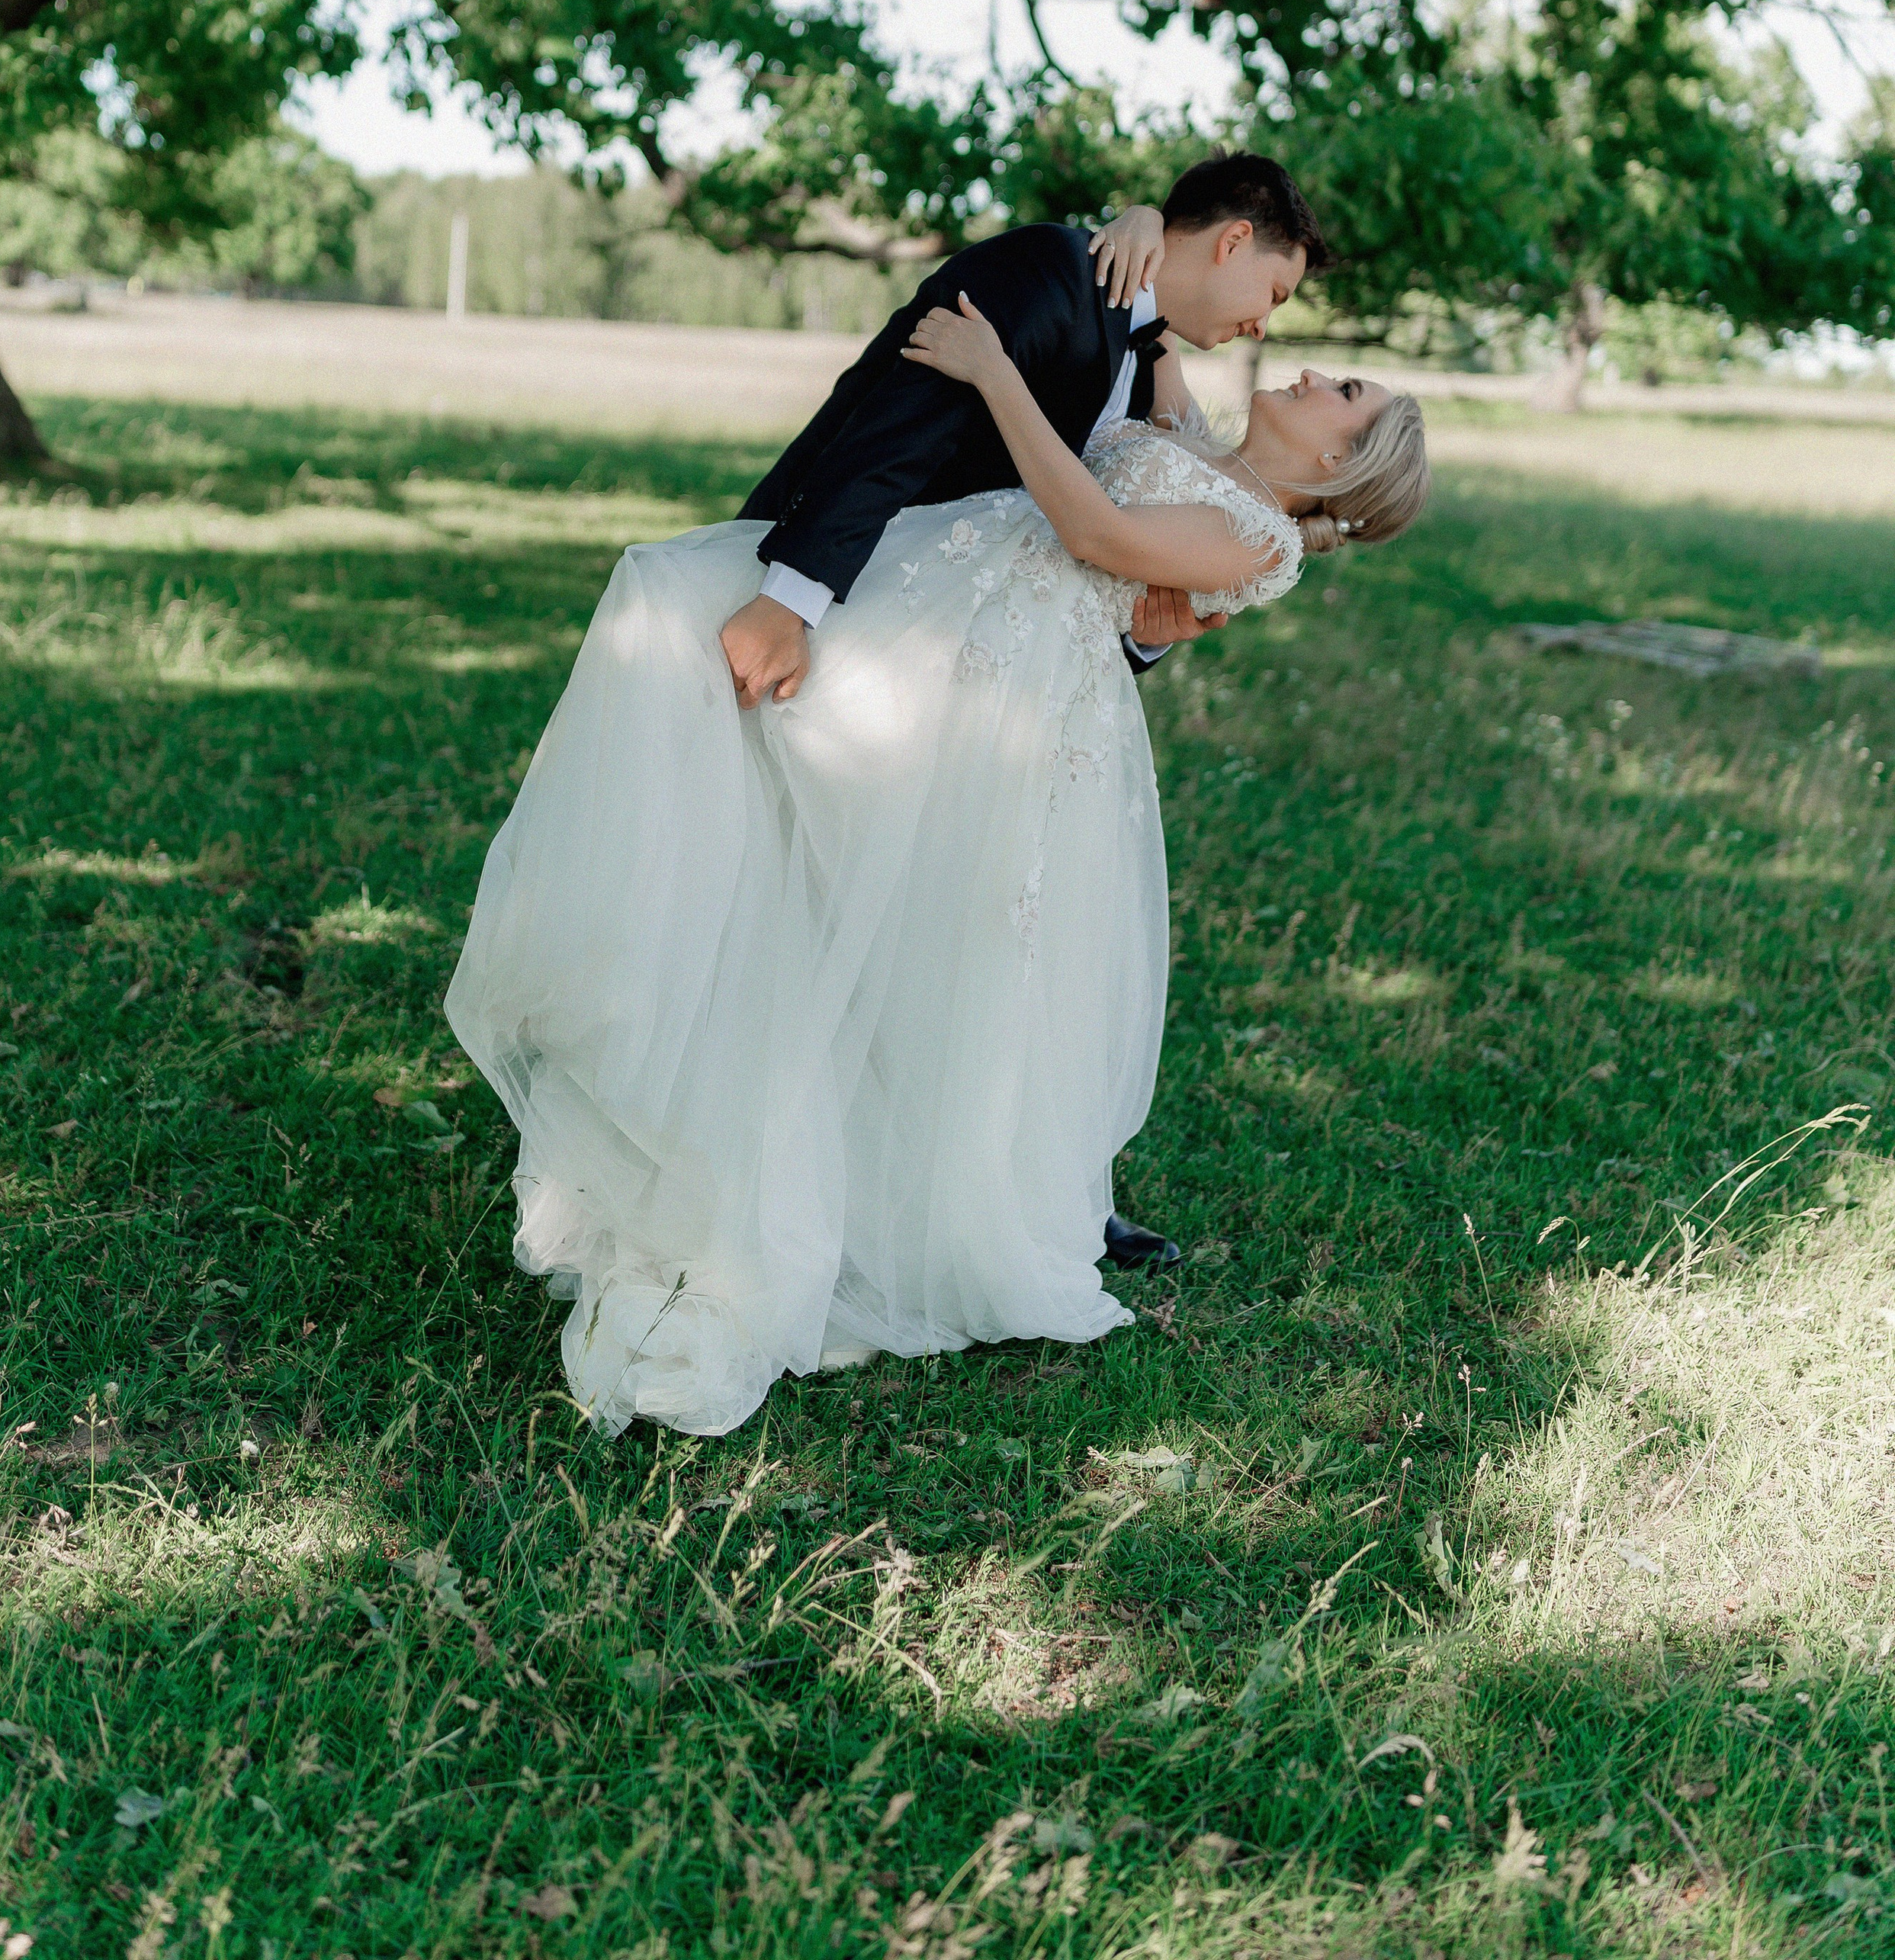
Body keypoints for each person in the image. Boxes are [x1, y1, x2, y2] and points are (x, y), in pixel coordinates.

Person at [444, 158, 1429, 1438]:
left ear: (1345, 458)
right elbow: (1149, 316)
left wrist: (995, 373)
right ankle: (706, 1085)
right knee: (747, 747)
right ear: (1233, 238)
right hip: (951, 628)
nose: (1288, 345)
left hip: (1012, 710)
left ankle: (914, 1207)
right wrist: (1132, 225)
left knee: (944, 958)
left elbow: (1096, 534)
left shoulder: (1265, 539)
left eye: (1337, 389)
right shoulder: (1190, 421)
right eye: (1279, 295)